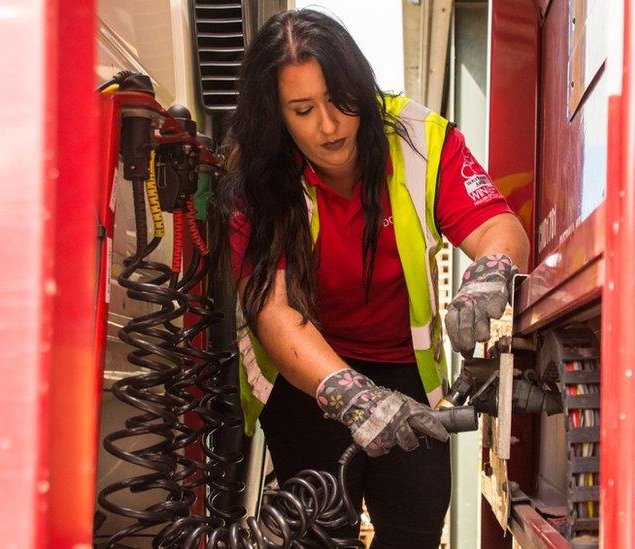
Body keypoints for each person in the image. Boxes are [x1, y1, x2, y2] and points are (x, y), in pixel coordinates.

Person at [219, 8, 529, 548]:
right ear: (277, 115)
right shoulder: (257, 178)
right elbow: (272, 311)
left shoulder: (418, 137)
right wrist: (350, 396)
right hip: (307, 374)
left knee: (416, 518)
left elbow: (497, 224)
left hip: (401, 366)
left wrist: (490, 272)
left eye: (340, 100)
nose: (329, 125)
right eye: (302, 109)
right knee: (318, 529)